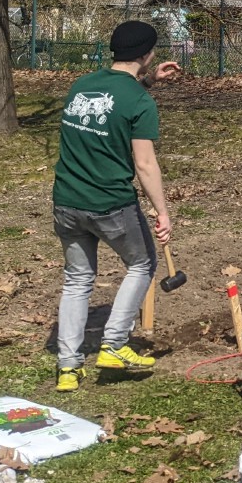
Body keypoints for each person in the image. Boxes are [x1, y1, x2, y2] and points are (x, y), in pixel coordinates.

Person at [52, 20, 181, 392]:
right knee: (142, 264)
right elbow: (144, 164)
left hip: (66, 202)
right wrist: (162, 210)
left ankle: (67, 368)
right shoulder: (141, 102)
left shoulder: (80, 86)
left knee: (77, 280)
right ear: (147, 54)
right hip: (109, 204)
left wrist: (149, 79)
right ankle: (114, 345)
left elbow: (110, 107)